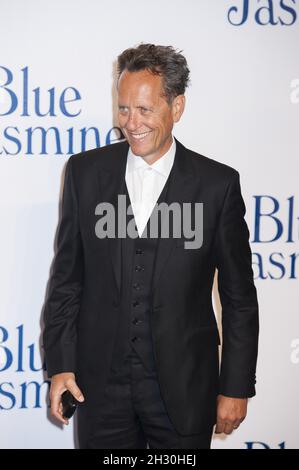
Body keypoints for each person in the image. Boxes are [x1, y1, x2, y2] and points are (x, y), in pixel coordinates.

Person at [43, 43, 259, 449]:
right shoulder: (85, 173)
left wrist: (236, 385)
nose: (131, 122)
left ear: (176, 108)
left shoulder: (218, 185)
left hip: (185, 388)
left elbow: (240, 298)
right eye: (124, 108)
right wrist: (61, 365)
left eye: (144, 110)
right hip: (100, 388)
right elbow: (66, 280)